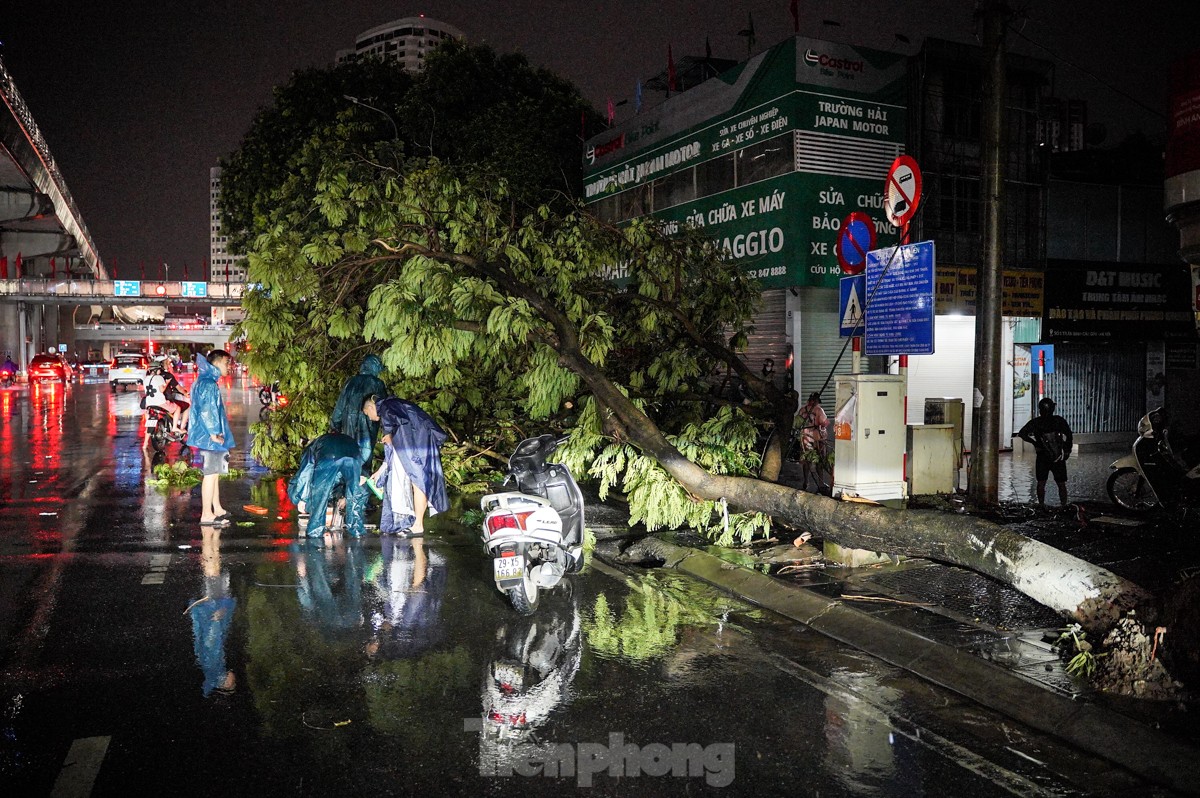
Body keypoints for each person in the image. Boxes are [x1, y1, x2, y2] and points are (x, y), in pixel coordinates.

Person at [363, 394, 448, 537]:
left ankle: (418, 525)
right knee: (419, 483)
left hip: (417, 445)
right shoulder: (392, 405)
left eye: (367, 414)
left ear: (371, 407)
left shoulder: (387, 407)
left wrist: (392, 436)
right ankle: (416, 523)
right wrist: (380, 471)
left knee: (418, 483)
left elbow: (404, 426)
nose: (370, 418)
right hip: (421, 442)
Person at [287, 432, 368, 538]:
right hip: (354, 456)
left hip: (329, 457)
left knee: (321, 494)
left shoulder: (311, 448)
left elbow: (305, 472)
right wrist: (346, 496)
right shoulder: (341, 439)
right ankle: (356, 529)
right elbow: (356, 480)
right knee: (355, 490)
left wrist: (302, 498)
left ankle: (315, 532)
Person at [187, 350, 235, 526]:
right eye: (226, 363)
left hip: (208, 435)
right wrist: (214, 433)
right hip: (210, 437)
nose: (228, 367)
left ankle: (217, 507)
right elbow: (208, 411)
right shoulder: (209, 384)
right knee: (211, 474)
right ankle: (207, 514)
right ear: (215, 363)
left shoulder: (206, 380)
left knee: (215, 473)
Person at [331, 354, 388, 471]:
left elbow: (339, 407)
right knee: (364, 460)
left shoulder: (350, 382)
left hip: (348, 427)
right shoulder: (378, 384)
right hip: (369, 427)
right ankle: (361, 483)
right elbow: (384, 409)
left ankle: (349, 482)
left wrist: (335, 426)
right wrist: (387, 430)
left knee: (349, 457)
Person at [1018, 397, 1074, 508]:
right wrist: (1067, 451)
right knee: (1061, 483)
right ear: (1053, 409)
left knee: (1041, 482)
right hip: (1058, 457)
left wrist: (1035, 443)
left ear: (1040, 410)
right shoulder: (1058, 420)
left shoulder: (1036, 422)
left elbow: (1022, 433)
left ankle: (1041, 505)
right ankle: (1064, 506)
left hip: (1042, 456)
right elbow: (1069, 436)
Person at [142, 357, 189, 450]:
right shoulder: (162, 377)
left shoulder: (146, 379)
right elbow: (162, 389)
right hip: (161, 402)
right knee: (178, 408)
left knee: (149, 424)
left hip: (149, 403)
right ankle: (175, 427)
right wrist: (167, 383)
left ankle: (145, 444)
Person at [796, 392, 830, 492]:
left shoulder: (802, 410)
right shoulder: (819, 410)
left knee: (807, 460)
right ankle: (821, 483)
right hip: (817, 438)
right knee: (820, 460)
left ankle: (806, 482)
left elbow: (798, 423)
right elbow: (824, 423)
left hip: (805, 438)